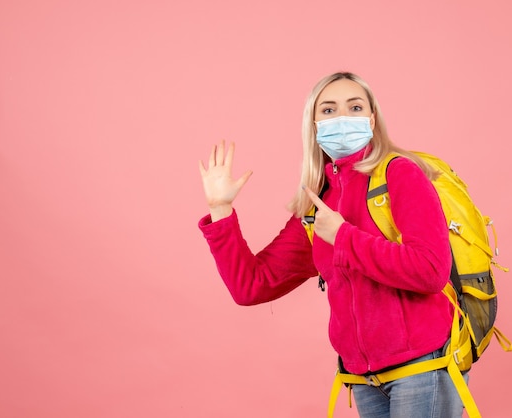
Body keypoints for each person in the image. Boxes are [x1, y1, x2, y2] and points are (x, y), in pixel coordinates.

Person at [198, 72, 466, 418]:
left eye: (355, 107)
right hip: (363, 378)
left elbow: (431, 271)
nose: (342, 118)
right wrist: (221, 211)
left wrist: (343, 236)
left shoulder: (401, 174)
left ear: (372, 119)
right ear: (313, 123)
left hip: (422, 368)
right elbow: (251, 286)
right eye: (328, 110)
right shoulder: (318, 202)